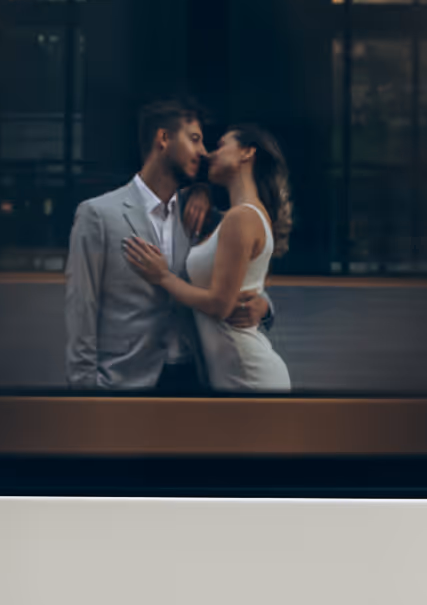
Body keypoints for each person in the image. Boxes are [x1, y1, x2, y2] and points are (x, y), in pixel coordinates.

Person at [64, 98, 272, 393]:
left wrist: (264, 309)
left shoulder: (205, 218)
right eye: (195, 139)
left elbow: (242, 278)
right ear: (163, 138)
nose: (203, 151)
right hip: (123, 383)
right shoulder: (98, 215)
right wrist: (83, 392)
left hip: (196, 380)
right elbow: (81, 310)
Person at [123, 122, 292, 395]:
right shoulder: (232, 216)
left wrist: (163, 277)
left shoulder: (232, 217)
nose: (208, 153)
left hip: (243, 375)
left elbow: (224, 300)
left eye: (220, 145)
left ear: (247, 153)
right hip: (216, 374)